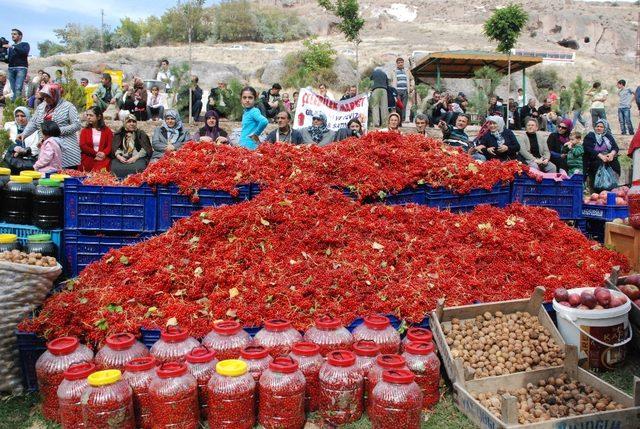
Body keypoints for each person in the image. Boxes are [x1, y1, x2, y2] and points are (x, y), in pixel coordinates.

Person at [18, 83, 81, 169]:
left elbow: (77, 125)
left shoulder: (68, 106)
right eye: (44, 96)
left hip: (66, 149)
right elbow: (34, 122)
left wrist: (57, 130)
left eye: (48, 96)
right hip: (47, 147)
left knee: (65, 177)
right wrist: (24, 133)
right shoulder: (41, 107)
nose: (46, 99)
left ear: (56, 95)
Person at [583, 119, 620, 188]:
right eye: (597, 126)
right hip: (595, 158)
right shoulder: (590, 136)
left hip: (607, 158)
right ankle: (598, 188)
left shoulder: (608, 136)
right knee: (597, 164)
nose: (599, 128)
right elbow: (588, 148)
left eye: (601, 127)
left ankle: (613, 184)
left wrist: (611, 154)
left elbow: (615, 147)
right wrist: (601, 156)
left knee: (615, 164)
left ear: (605, 128)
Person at [3, 107, 39, 173]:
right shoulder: (9, 126)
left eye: (23, 116)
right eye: (17, 116)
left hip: (28, 159)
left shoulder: (35, 130)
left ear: (28, 116)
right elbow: (5, 144)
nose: (20, 118)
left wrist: (24, 151)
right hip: (11, 159)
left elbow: (36, 147)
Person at [79, 106, 113, 172]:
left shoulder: (107, 131)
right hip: (88, 157)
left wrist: (104, 154)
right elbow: (83, 145)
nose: (88, 117)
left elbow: (109, 145)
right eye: (87, 115)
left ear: (99, 117)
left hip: (103, 158)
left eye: (91, 115)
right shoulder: (84, 131)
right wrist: (96, 153)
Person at [3, 28, 29, 100]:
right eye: (12, 34)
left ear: (20, 36)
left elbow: (24, 52)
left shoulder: (25, 44)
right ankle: (15, 106)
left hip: (21, 68)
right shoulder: (10, 48)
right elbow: (9, 60)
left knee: (18, 88)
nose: (12, 35)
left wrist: (12, 47)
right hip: (11, 68)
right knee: (14, 89)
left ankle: (17, 106)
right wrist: (4, 58)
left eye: (14, 34)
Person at [393, 57, 411, 122]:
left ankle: (402, 119)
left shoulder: (406, 70)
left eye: (401, 62)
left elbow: (411, 79)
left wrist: (411, 88)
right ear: (397, 64)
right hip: (397, 91)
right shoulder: (394, 71)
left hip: (405, 90)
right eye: (399, 63)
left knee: (404, 106)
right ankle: (398, 119)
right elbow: (392, 81)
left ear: (403, 63)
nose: (400, 64)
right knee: (398, 106)